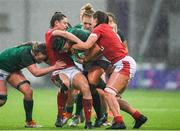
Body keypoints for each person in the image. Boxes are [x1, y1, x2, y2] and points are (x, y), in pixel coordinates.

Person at [72, 11, 147, 129]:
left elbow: (86, 45)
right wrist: (84, 59)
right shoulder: (106, 29)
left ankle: (119, 122)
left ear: (96, 20)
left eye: (91, 21)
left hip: (123, 64)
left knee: (108, 93)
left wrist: (73, 46)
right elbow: (97, 51)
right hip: (122, 63)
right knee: (112, 96)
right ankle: (138, 116)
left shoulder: (99, 29)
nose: (90, 24)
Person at [0, 41, 66, 128]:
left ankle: (29, 122)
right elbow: (36, 73)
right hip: (1, 69)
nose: (43, 61)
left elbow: (50, 62)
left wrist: (65, 68)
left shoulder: (36, 50)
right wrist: (55, 67)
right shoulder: (26, 54)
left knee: (28, 92)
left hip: (12, 70)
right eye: (42, 58)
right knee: (2, 100)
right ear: (38, 54)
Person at [45, 12, 93, 129]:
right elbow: (66, 34)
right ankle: (60, 116)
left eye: (67, 23)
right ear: (56, 23)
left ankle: (88, 123)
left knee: (85, 88)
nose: (67, 25)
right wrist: (83, 44)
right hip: (59, 70)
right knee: (65, 85)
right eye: (64, 23)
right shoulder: (51, 32)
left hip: (71, 67)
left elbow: (69, 46)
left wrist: (78, 53)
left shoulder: (62, 36)